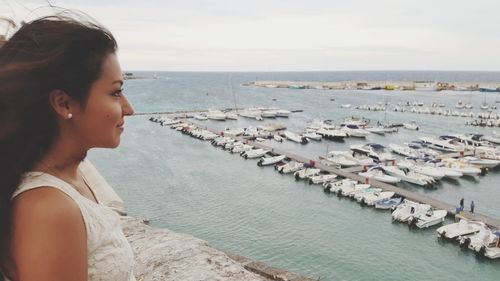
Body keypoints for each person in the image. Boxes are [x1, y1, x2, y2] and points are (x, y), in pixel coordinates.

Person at [0, 14, 135, 281]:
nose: (129, 109)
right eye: (115, 92)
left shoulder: (68, 178)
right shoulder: (48, 209)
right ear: (63, 104)